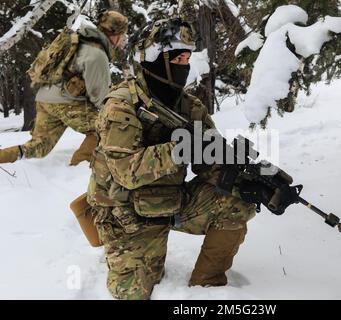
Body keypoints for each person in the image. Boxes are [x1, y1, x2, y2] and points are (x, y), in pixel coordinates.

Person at [86, 18, 256, 300]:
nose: (184, 65)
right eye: (178, 58)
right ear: (154, 59)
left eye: (188, 58)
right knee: (134, 293)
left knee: (237, 199)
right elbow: (126, 171)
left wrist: (240, 172)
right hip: (125, 212)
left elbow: (208, 161)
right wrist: (179, 149)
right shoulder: (121, 105)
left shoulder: (190, 107)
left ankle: (207, 290)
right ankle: (111, 244)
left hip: (170, 200)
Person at [0, 11, 128, 166]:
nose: (123, 40)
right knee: (106, 126)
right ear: (115, 34)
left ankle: (3, 157)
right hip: (66, 103)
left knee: (38, 146)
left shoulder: (81, 40)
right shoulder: (97, 54)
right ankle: (79, 166)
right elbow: (100, 97)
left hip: (44, 98)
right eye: (123, 34)